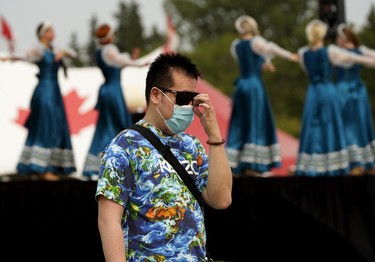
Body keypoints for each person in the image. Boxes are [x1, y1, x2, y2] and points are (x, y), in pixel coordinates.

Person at [96, 52, 232, 261]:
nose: (188, 107)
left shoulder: (192, 145)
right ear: (156, 95)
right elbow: (108, 220)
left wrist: (213, 134)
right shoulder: (124, 146)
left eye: (193, 99)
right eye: (183, 98)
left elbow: (221, 199)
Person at [294, 19, 375, 176]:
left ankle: (312, 164)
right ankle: (349, 163)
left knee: (314, 126)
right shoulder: (332, 51)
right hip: (336, 92)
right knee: (339, 126)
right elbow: (355, 59)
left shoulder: (303, 52)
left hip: (318, 92)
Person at [226, 15, 299, 177]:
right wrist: (289, 56)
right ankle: (254, 164)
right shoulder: (256, 42)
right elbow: (270, 49)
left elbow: (248, 59)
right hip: (253, 86)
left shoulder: (236, 45)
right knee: (256, 121)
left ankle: (236, 163)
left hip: (241, 86)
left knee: (240, 123)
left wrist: (265, 63)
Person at [7, 21, 76, 181]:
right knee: (46, 126)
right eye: (51, 31)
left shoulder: (54, 50)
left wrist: (63, 53)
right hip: (45, 91)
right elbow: (25, 55)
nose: (54, 33)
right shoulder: (38, 50)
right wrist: (9, 57)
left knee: (54, 125)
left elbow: (72, 53)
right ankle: (43, 168)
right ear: (44, 34)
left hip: (54, 92)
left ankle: (41, 166)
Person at [82, 24, 148, 179]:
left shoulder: (101, 51)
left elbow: (117, 66)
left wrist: (132, 59)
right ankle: (116, 161)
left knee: (107, 126)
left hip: (109, 90)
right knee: (118, 125)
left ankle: (109, 161)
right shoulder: (109, 50)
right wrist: (137, 63)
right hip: (113, 92)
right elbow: (120, 61)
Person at [333, 24, 375, 175]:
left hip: (343, 92)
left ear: (342, 39)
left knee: (347, 125)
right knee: (362, 124)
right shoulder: (361, 50)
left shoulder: (337, 51)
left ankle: (354, 163)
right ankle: (368, 162)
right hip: (359, 91)